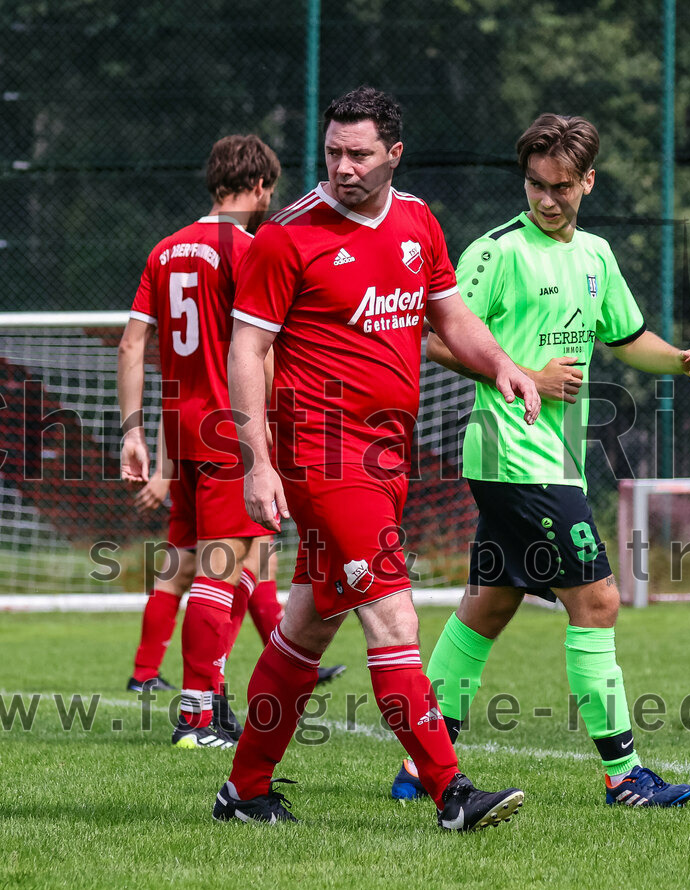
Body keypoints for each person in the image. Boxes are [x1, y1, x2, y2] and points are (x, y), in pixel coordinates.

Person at [213, 86, 541, 831]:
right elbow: (248, 349)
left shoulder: (418, 220)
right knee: (393, 615)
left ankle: (244, 789)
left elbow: (449, 314)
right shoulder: (288, 236)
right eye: (333, 151)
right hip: (323, 455)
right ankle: (451, 793)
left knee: (307, 626)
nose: (343, 166)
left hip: (387, 454)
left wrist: (501, 365)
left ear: (394, 153)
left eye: (359, 154)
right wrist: (257, 462)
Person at [389, 113, 690, 807]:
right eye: (535, 184)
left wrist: (680, 359)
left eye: (560, 186)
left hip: (552, 460)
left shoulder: (596, 255)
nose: (545, 198)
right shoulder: (496, 252)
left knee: (488, 606)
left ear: (587, 182)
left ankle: (421, 767)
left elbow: (627, 338)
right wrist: (525, 375)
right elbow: (435, 338)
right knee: (597, 600)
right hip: (513, 454)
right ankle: (624, 776)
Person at [119, 134, 284, 748]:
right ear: (261, 185)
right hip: (230, 433)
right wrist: (273, 432)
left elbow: (131, 344)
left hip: (180, 432)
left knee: (232, 561)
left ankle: (212, 698)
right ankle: (196, 716)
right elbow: (260, 350)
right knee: (223, 569)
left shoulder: (164, 249)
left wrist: (132, 433)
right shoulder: (250, 248)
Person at [126, 419, 346, 695]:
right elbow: (262, 398)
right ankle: (214, 680)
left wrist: (163, 469)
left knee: (187, 564)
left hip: (189, 445)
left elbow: (170, 402)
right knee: (249, 556)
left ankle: (147, 673)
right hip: (231, 449)